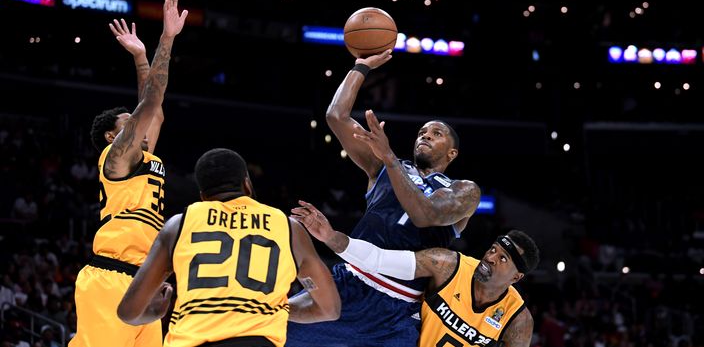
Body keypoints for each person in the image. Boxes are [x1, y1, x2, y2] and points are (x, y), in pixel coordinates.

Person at [287, 50, 482, 346]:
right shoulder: (383, 165)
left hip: (398, 310)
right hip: (349, 283)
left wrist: (390, 158)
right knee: (269, 328)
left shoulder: (464, 190)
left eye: (436, 133)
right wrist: (361, 67)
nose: (425, 135)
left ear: (452, 153)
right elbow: (336, 116)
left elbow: (425, 214)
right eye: (422, 131)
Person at [117, 148, 341, 347]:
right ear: (246, 183)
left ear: (203, 196)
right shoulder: (288, 228)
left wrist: (156, 311)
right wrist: (272, 306)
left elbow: (128, 311)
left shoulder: (180, 224)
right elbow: (330, 309)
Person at [70, 0, 188, 347]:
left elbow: (152, 106)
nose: (137, 121)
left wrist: (140, 56)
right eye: (128, 121)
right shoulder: (116, 160)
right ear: (111, 136)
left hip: (145, 282)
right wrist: (166, 37)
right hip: (110, 277)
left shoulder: (146, 157)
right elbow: (150, 103)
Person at [293, 201, 539, 347]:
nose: (491, 258)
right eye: (493, 250)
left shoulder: (517, 318)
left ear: (516, 278)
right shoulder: (448, 265)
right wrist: (330, 236)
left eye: (503, 259)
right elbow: (378, 260)